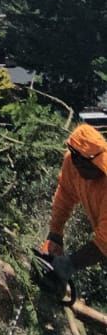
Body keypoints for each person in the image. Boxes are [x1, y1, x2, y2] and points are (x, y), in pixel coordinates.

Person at [41, 122, 107, 285]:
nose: (99, 168)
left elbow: (105, 241)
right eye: (95, 165)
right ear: (78, 161)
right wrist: (55, 235)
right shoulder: (71, 163)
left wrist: (70, 264)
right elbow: (65, 196)